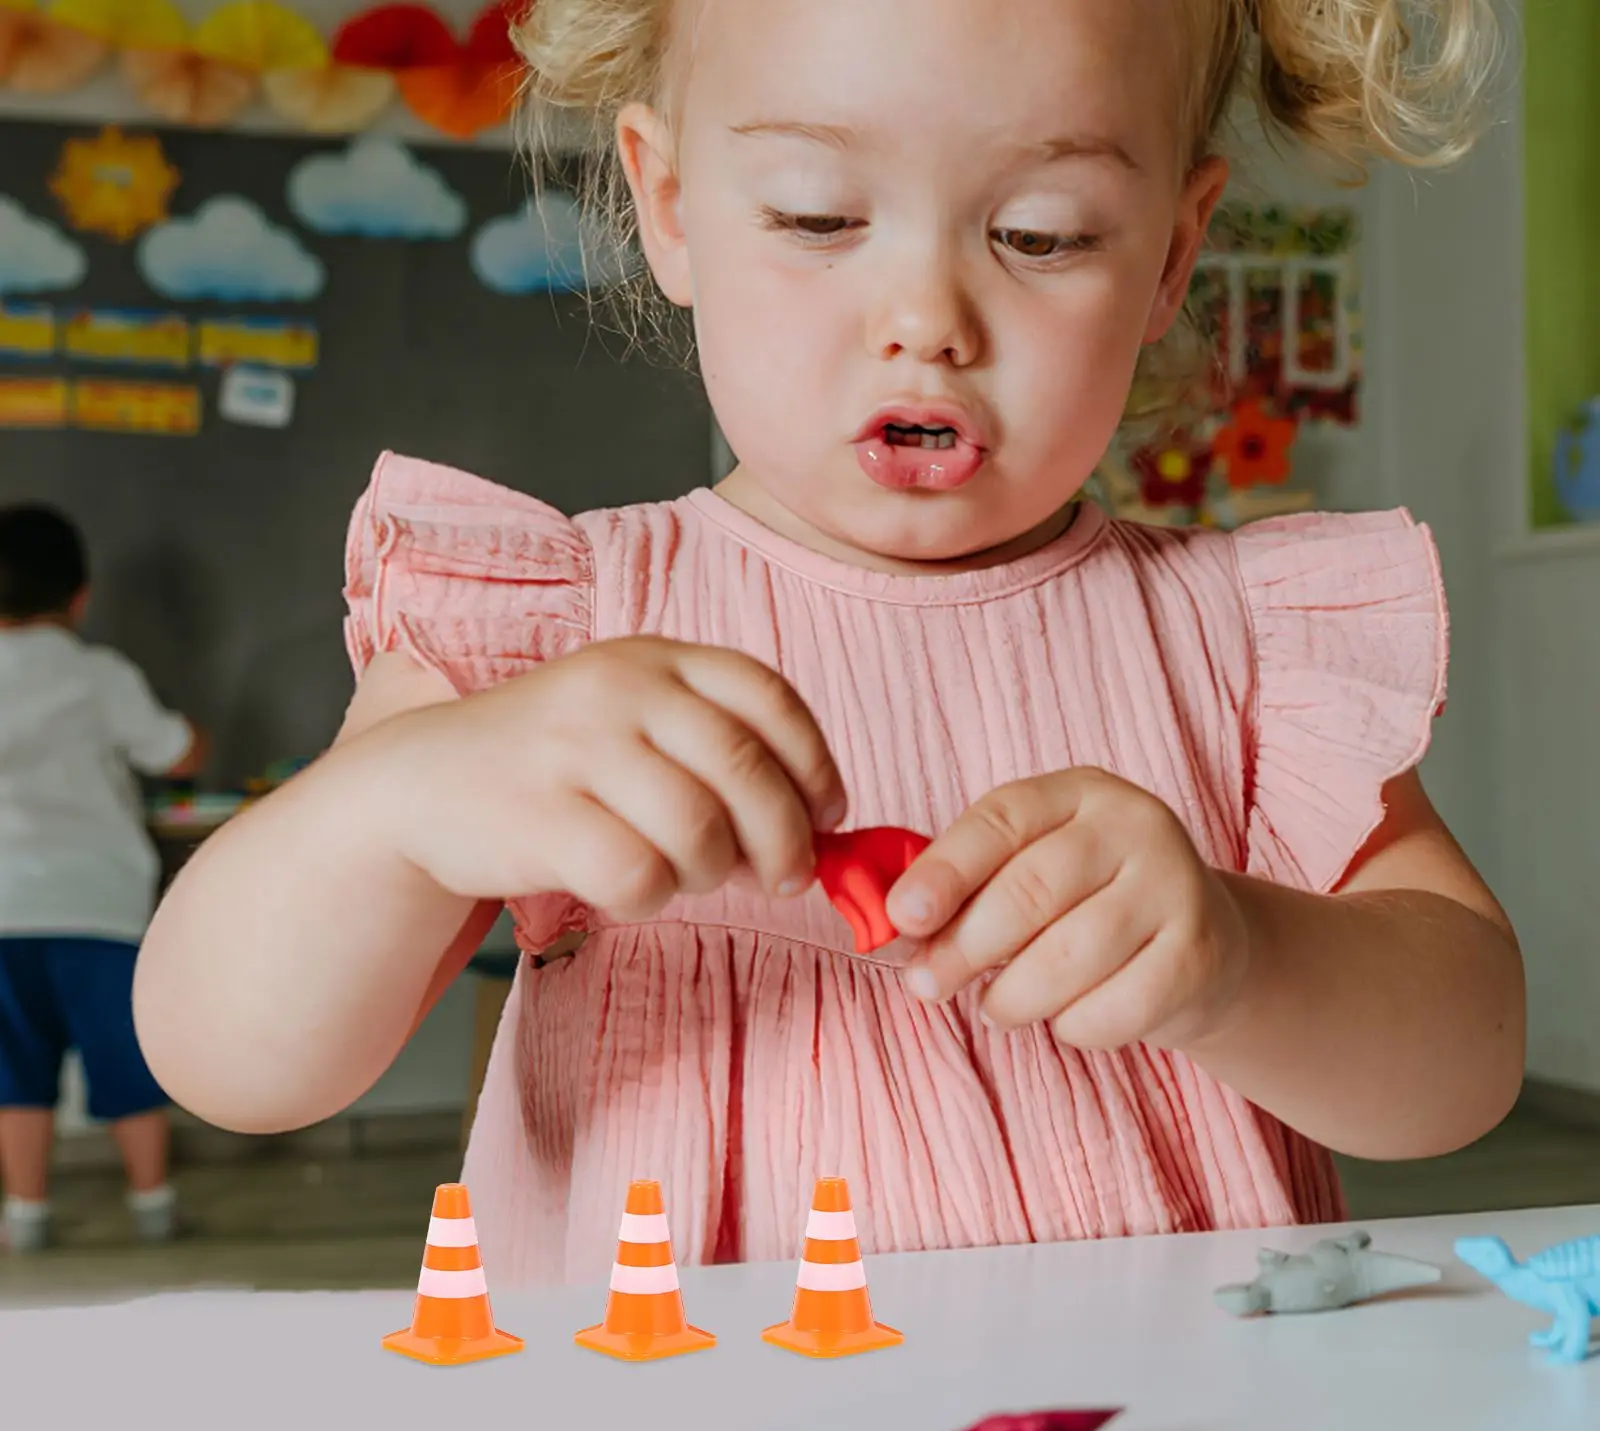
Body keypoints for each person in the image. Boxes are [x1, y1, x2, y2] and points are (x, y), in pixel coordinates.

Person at [133, 0, 1525, 1289]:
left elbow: (1463, 1064)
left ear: (1170, 252)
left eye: (1041, 233)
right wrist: (408, 804)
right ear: (670, 206)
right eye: (815, 214)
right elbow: (232, 1059)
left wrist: (1241, 958)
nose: (926, 320)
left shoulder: (1241, 643)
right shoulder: (549, 630)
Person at [0, 504, 201, 1252]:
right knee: (125, 1056)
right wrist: (197, 735)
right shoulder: (100, 674)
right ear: (79, 595)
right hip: (98, 903)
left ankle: (25, 1214)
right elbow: (172, 752)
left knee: (16, 1071)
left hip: (4, 906)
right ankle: (153, 1204)